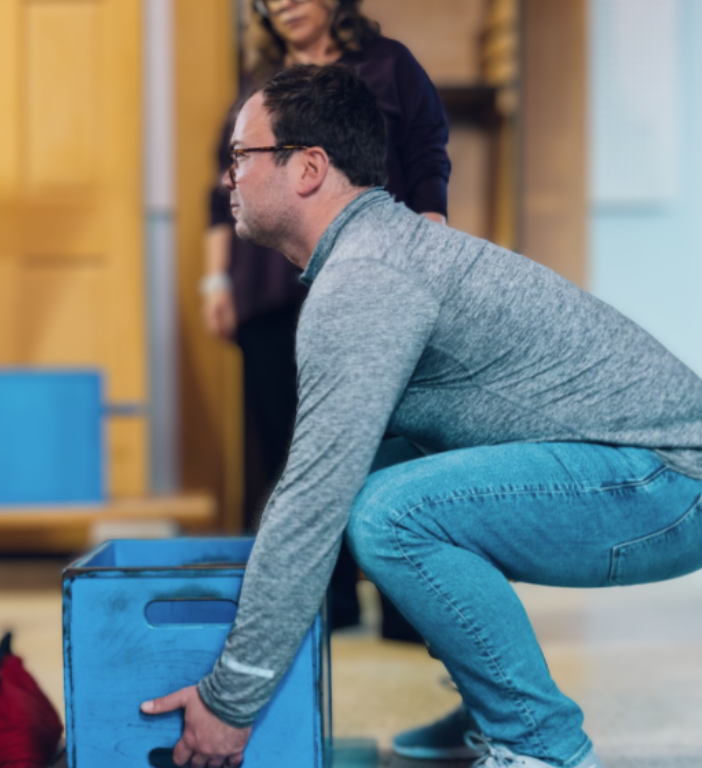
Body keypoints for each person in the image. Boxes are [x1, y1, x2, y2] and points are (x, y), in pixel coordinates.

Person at [144, 65, 702, 768]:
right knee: (380, 468)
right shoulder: (377, 253)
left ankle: (538, 742)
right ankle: (494, 699)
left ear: (308, 167)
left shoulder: (367, 279)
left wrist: (231, 699)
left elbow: (313, 502)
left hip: (680, 485)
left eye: (240, 157)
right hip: (653, 471)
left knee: (387, 513)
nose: (229, 180)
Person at [202, 0, 451, 637]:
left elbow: (426, 155)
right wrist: (216, 277)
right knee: (287, 445)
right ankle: (325, 604)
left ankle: (405, 607)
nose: (281, 4)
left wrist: (429, 239)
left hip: (369, 278)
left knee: (388, 441)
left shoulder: (390, 66)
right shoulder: (258, 83)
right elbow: (221, 183)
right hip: (266, 286)